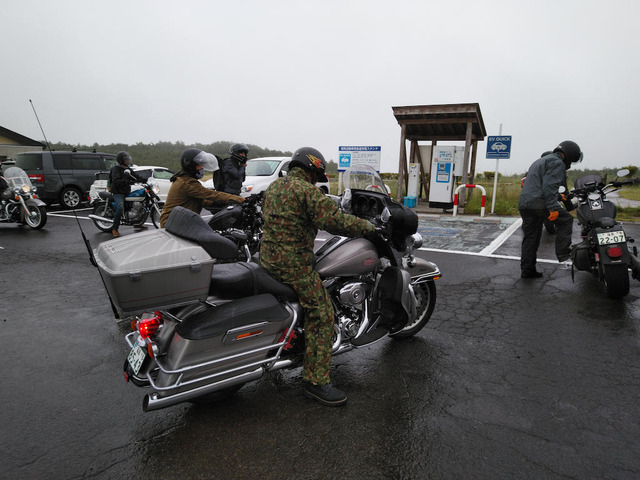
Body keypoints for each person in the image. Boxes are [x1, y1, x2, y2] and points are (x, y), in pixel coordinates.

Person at [259, 147, 376, 407]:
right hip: (294, 266)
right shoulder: (307, 192)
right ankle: (315, 381)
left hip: (267, 260)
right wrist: (368, 227)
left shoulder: (275, 188)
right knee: (323, 315)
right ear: (313, 170)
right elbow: (335, 222)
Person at [518, 141, 583, 278]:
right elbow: (549, 187)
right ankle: (564, 253)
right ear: (569, 154)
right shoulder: (557, 163)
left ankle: (527, 270)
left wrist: (559, 197)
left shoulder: (540, 161)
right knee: (566, 220)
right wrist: (553, 207)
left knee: (531, 238)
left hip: (525, 204)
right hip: (539, 204)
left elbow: (538, 186)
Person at [159, 148, 244, 228]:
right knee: (211, 237)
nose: (202, 168)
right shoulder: (187, 183)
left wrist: (218, 203)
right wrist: (239, 199)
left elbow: (201, 199)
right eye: (200, 165)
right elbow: (211, 194)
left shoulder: (184, 179)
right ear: (191, 166)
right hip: (172, 223)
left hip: (177, 220)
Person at [108, 151, 147, 237]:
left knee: (139, 204)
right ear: (121, 160)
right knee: (120, 208)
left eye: (128, 159)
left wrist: (143, 179)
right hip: (118, 192)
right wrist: (127, 181)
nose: (128, 161)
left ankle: (137, 223)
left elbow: (135, 175)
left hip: (126, 191)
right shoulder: (116, 169)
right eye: (126, 160)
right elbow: (116, 181)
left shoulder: (127, 169)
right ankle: (114, 228)